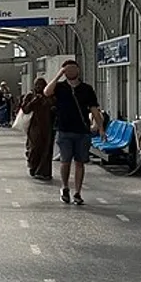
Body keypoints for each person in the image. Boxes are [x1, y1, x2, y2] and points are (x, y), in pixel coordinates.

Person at [44, 60, 105, 205]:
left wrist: (101, 127)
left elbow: (94, 109)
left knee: (80, 163)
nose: (71, 71)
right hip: (64, 130)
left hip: (82, 131)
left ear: (78, 70)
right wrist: (59, 75)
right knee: (65, 162)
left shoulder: (87, 89)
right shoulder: (59, 87)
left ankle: (77, 192)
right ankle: (65, 187)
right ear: (64, 71)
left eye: (73, 68)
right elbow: (47, 92)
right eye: (68, 69)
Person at [21, 77, 54, 181]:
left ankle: (43, 171)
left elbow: (54, 106)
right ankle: (32, 166)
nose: (39, 87)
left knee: (46, 149)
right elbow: (25, 109)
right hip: (34, 126)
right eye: (37, 84)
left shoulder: (50, 95)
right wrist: (34, 101)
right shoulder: (30, 95)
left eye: (41, 84)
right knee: (34, 147)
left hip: (48, 126)